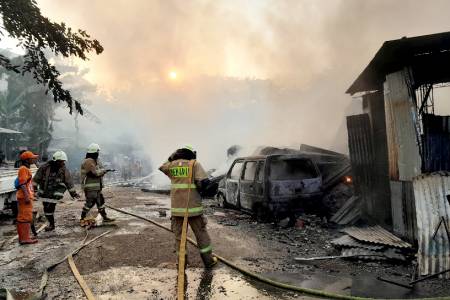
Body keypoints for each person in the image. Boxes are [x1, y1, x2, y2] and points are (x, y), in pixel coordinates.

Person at [159, 145, 217, 268]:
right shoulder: (194, 164)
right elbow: (204, 183)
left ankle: (182, 263)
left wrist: (172, 157)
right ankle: (208, 261)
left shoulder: (171, 165)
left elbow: (161, 166)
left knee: (179, 237)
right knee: (201, 234)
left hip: (177, 210)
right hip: (194, 208)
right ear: (191, 153)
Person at [33, 150, 80, 231]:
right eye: (61, 161)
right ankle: (51, 222)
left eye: (63, 161)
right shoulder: (44, 168)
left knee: (50, 207)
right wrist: (34, 191)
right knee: (46, 208)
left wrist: (74, 194)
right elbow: (36, 179)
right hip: (44, 191)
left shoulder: (63, 170)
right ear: (56, 161)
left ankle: (51, 224)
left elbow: (69, 182)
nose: (63, 163)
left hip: (56, 192)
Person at [79, 143, 115, 226]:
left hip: (97, 187)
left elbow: (100, 169)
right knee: (90, 203)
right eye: (97, 152)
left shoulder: (96, 160)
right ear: (93, 152)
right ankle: (82, 217)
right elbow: (94, 173)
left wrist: (103, 170)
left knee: (100, 202)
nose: (98, 153)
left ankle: (105, 217)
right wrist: (104, 171)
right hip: (90, 187)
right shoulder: (88, 161)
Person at [15, 151, 38, 244]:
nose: (34, 159)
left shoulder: (25, 169)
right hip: (24, 197)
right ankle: (24, 239)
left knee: (26, 217)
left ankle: (25, 237)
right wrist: (27, 196)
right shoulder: (23, 169)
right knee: (24, 218)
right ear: (27, 160)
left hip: (25, 196)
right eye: (32, 158)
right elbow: (23, 184)